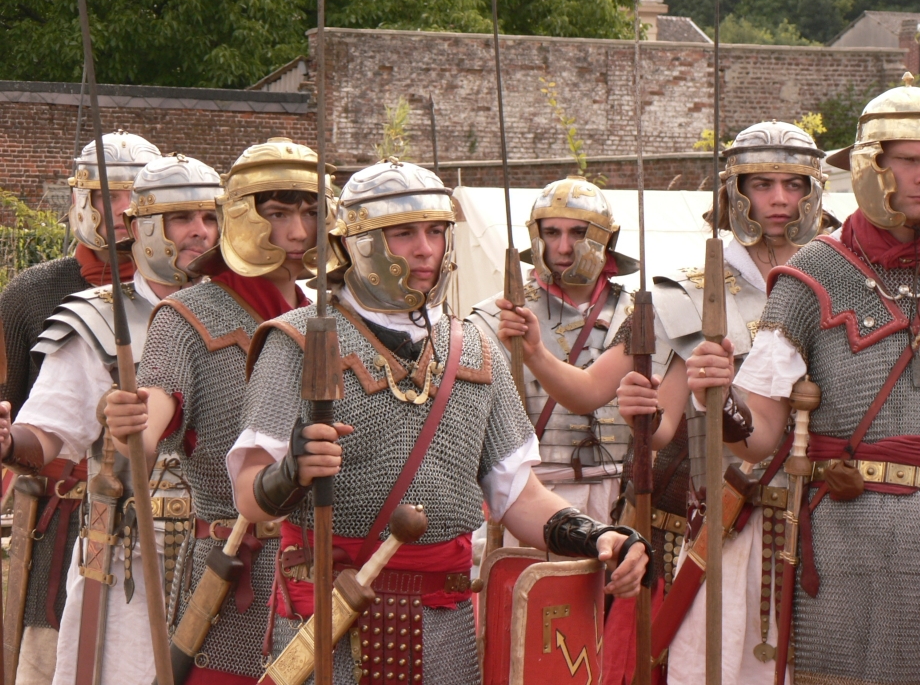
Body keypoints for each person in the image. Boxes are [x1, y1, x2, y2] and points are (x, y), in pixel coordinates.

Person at [225, 159, 652, 685]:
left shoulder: (476, 349)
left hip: (442, 629)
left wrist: (597, 535)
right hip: (333, 620)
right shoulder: (296, 340)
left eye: (435, 231)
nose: (425, 249)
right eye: (403, 233)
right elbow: (249, 497)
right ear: (357, 242)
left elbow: (518, 494)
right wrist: (291, 471)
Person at [688, 77, 920, 685]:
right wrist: (720, 402)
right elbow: (759, 435)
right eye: (910, 161)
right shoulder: (812, 274)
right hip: (843, 540)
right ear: (872, 167)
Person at [498, 121, 836, 685]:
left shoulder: (844, 280)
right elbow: (607, 400)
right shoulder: (689, 291)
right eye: (762, 184)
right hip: (728, 522)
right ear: (736, 192)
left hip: (832, 517)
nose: (780, 199)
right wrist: (543, 358)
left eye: (794, 184)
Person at [102, 137, 323, 685]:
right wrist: (129, 427)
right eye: (278, 214)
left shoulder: (325, 315)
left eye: (311, 212)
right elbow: (151, 420)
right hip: (234, 568)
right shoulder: (187, 316)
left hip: (318, 567)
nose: (299, 233)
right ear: (243, 218)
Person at [1, 153, 221, 684]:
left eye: (210, 217)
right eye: (181, 218)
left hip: (232, 555)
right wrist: (8, 442)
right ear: (143, 228)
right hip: (129, 556)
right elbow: (47, 434)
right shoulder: (97, 319)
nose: (200, 232)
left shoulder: (252, 315)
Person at [0, 129, 159, 685]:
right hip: (58, 517)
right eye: (107, 196)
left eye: (136, 196)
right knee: (49, 660)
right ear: (81, 200)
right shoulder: (31, 294)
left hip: (159, 526)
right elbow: (16, 414)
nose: (122, 210)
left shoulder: (190, 296)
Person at [469, 175, 650, 529]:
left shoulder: (639, 315)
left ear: (605, 238)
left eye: (579, 233)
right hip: (529, 496)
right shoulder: (493, 319)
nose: (564, 247)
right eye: (552, 233)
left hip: (621, 494)